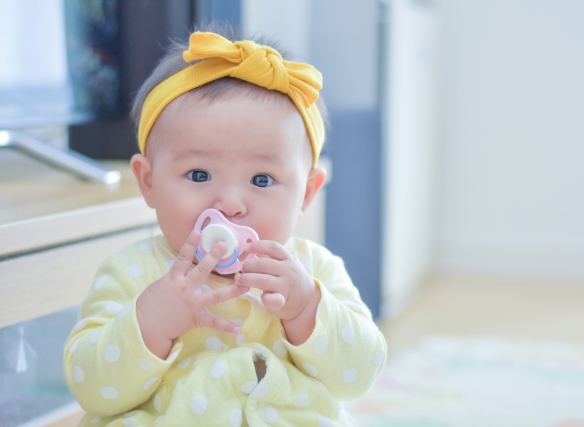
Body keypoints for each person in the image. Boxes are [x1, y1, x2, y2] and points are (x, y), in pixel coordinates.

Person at [63, 29, 386, 427]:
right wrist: (153, 321)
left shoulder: (314, 271)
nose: (231, 205)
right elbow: (92, 389)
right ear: (148, 182)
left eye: (262, 180)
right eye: (199, 174)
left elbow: (358, 377)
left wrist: (306, 309)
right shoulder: (132, 271)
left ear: (306, 193)